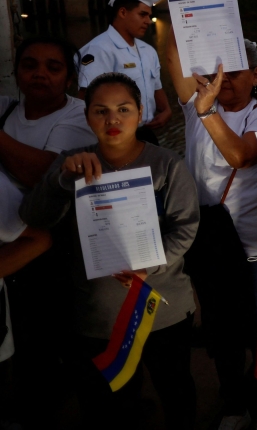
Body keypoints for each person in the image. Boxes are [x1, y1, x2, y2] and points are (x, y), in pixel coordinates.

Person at [19, 73, 199, 430]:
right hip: (97, 313)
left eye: (123, 109)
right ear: (87, 117)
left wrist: (149, 262)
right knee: (107, 405)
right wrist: (61, 180)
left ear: (140, 111)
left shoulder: (167, 166)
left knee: (176, 393)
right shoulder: (73, 164)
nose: (112, 120)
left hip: (160, 308)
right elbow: (33, 216)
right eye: (100, 111)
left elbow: (186, 226)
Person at [166, 0, 257, 430]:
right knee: (220, 332)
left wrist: (207, 109)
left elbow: (239, 154)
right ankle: (234, 402)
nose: (222, 79)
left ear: (255, 75)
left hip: (253, 245)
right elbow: (174, 55)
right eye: (215, 69)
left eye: (233, 71)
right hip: (207, 240)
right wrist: (184, 7)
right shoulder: (197, 103)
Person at [0, 36, 97, 429]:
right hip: (14, 250)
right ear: (17, 72)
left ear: (71, 79)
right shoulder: (8, 109)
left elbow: (43, 175)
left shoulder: (78, 117)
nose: (40, 73)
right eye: (30, 65)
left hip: (60, 251)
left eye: (53, 67)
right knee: (24, 341)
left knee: (69, 339)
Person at [77, 0, 172, 144]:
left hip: (146, 133)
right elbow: (85, 99)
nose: (148, 21)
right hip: (115, 136)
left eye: (149, 16)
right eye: (142, 15)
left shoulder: (148, 51)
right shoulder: (99, 49)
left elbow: (156, 85)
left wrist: (167, 110)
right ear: (122, 12)